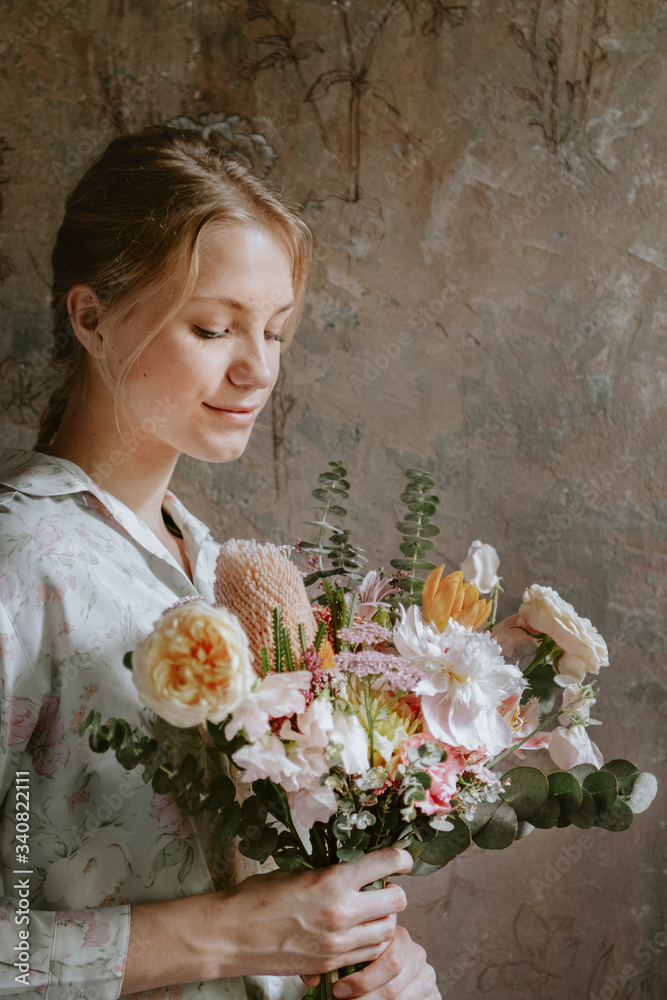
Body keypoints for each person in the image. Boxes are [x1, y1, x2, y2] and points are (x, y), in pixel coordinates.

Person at [0, 126, 440, 1000]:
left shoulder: (219, 570)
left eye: (273, 332)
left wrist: (351, 961)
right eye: (213, 328)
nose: (257, 370)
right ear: (89, 316)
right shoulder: (21, 559)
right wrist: (232, 938)